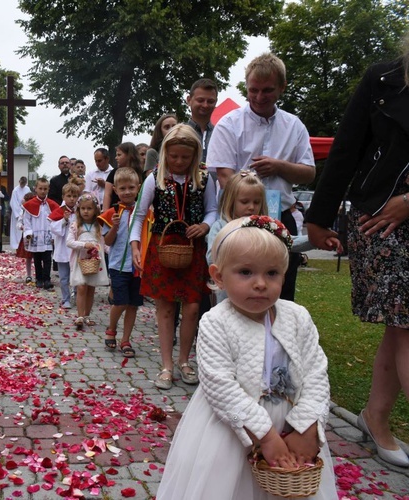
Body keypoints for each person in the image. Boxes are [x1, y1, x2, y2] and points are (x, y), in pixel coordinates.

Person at [156, 216, 337, 499]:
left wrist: (308, 425)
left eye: (272, 273)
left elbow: (316, 373)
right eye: (246, 272)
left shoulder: (297, 317)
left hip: (291, 425)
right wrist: (265, 435)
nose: (261, 284)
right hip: (231, 428)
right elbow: (220, 386)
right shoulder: (216, 322)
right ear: (218, 276)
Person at [305, 43, 409, 467]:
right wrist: (320, 217)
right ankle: (377, 420)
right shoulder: (384, 79)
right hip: (379, 218)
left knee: (401, 327)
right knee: (405, 324)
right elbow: (346, 148)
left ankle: (376, 418)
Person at [206, 53, 315, 301]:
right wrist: (247, 213)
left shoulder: (294, 125)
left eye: (267, 90)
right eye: (253, 90)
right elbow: (224, 175)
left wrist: (279, 166)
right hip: (237, 219)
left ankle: (275, 338)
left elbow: (309, 172)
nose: (258, 97)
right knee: (237, 292)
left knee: (281, 294)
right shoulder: (229, 124)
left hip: (282, 216)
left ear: (282, 87)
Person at [130, 125, 217, 390]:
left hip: (193, 247)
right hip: (162, 245)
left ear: (195, 155)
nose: (179, 161)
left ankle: (184, 361)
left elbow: (212, 210)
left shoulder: (204, 178)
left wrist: (204, 226)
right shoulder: (154, 178)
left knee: (192, 307)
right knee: (165, 308)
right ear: (166, 152)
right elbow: (140, 214)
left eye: (185, 157)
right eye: (175, 156)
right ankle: (166, 365)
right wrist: (136, 245)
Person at [99, 167, 143, 357]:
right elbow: (107, 242)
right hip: (117, 265)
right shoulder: (112, 212)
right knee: (120, 302)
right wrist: (114, 227)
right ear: (115, 190)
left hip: (138, 266)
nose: (127, 192)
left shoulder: (144, 212)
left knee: (133, 304)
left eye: (131, 187)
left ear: (138, 188)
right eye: (122, 188)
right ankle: (111, 328)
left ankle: (126, 340)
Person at [206, 171, 268, 303]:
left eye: (257, 202)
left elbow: (287, 240)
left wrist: (314, 239)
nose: (251, 207)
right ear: (231, 201)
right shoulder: (220, 227)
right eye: (245, 202)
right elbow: (212, 257)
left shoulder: (264, 227)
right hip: (228, 294)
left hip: (258, 290)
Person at [67, 192, 110, 329]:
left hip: (95, 260)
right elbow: (69, 242)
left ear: (95, 210)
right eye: (83, 208)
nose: (86, 211)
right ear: (79, 210)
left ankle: (87, 315)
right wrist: (83, 245)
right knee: (81, 286)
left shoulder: (99, 226)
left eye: (89, 208)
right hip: (81, 260)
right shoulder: (75, 226)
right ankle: (79, 316)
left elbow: (105, 244)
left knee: (91, 288)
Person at [23, 178, 60, 289]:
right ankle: (39, 279)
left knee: (47, 259)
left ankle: (47, 279)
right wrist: (28, 232)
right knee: (37, 258)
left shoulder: (52, 204)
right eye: (40, 188)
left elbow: (56, 219)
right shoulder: (30, 205)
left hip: (47, 235)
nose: (43, 191)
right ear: (36, 189)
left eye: (45, 189)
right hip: (35, 235)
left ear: (48, 189)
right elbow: (27, 220)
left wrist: (54, 235)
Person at [49, 182, 80, 308]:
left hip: (76, 249)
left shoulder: (81, 210)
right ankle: (65, 298)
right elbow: (53, 228)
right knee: (64, 277)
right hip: (63, 249)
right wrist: (64, 220)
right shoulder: (59, 211)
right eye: (69, 196)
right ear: (63, 197)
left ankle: (78, 296)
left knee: (77, 276)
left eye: (74, 196)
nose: (72, 199)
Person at [186, 78, 218, 165]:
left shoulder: (220, 133)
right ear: (189, 100)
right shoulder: (179, 133)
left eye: (210, 101)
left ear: (216, 102)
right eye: (200, 100)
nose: (205, 105)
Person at [103, 142, 143, 210]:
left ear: (129, 155)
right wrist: (105, 213)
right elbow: (107, 194)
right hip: (116, 212)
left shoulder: (140, 173)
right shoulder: (114, 173)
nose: (116, 158)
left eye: (119, 155)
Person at [15, 192, 36, 283]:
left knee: (38, 256)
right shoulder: (23, 211)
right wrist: (22, 227)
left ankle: (40, 273)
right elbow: (19, 223)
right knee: (28, 257)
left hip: (36, 236)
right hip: (27, 237)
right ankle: (28, 275)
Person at [10, 176, 31, 252]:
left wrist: (26, 209)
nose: (22, 185)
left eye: (24, 184)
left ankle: (25, 247)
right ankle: (17, 247)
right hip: (18, 212)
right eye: (21, 183)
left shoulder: (27, 189)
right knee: (17, 231)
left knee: (25, 230)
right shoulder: (15, 190)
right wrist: (19, 213)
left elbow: (30, 199)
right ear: (19, 182)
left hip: (26, 211)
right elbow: (13, 203)